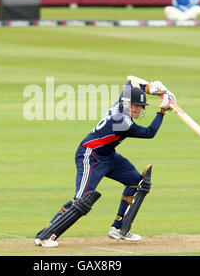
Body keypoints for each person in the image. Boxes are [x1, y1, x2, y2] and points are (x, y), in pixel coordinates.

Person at [35, 77, 175, 247]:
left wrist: (150, 89)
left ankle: (118, 228)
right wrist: (162, 111)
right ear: (126, 104)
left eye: (141, 107)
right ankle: (45, 235)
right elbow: (150, 133)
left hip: (108, 155)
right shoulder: (122, 122)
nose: (138, 110)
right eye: (135, 106)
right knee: (81, 200)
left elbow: (131, 81)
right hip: (90, 156)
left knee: (137, 183)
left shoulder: (121, 103)